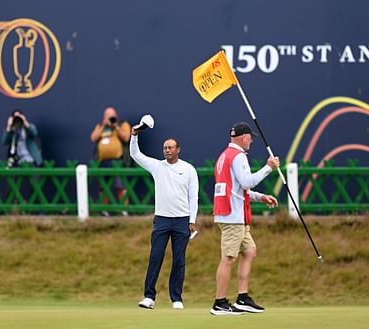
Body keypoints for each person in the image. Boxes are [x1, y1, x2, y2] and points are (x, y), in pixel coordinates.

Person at [210, 122, 280, 316]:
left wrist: (260, 197)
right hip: (233, 215)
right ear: (243, 137)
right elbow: (247, 181)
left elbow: (239, 187)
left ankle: (242, 298)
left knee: (249, 251)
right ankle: (220, 303)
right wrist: (268, 168)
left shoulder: (225, 155)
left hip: (231, 213)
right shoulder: (239, 155)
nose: (251, 141)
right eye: (250, 137)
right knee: (228, 258)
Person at [130, 124, 198, 310]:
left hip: (182, 220)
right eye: (165, 148)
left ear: (178, 149)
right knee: (156, 257)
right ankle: (149, 297)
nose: (167, 150)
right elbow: (136, 155)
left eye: (170, 147)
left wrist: (192, 220)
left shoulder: (189, 169)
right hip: (161, 219)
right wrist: (134, 135)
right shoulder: (157, 166)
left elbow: (193, 196)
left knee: (179, 260)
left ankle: (176, 298)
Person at [90, 107, 131, 215]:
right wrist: (104, 125)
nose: (109, 119)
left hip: (118, 161)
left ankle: (124, 210)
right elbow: (93, 138)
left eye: (111, 116)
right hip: (103, 161)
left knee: (120, 185)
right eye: (107, 116)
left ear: (116, 116)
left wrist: (116, 127)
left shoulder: (122, 124)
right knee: (103, 186)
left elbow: (126, 138)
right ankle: (104, 210)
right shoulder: (100, 126)